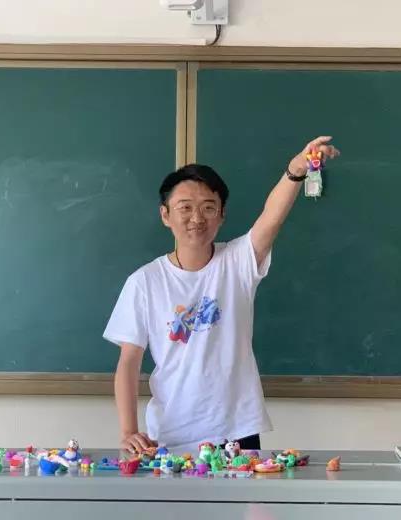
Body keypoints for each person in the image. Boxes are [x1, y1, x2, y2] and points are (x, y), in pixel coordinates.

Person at [104, 136, 340, 454]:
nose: (197, 218)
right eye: (185, 208)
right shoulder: (144, 282)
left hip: (237, 432)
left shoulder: (238, 262)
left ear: (221, 215)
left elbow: (271, 218)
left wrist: (296, 170)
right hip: (171, 435)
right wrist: (128, 431)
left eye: (208, 207)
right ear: (165, 215)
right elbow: (129, 362)